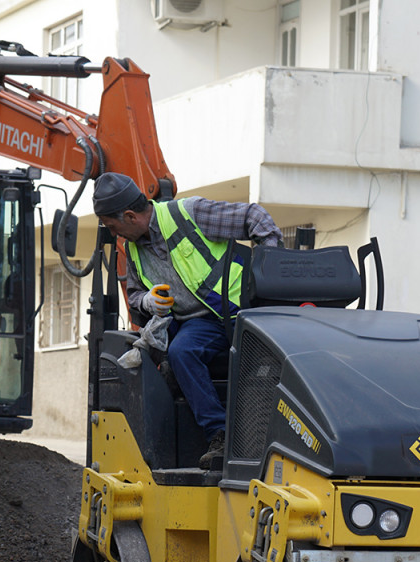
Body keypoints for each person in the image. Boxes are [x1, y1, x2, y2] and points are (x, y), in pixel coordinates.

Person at [93, 172, 282, 469]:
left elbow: (256, 217)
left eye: (113, 227)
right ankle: (206, 430)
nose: (115, 234)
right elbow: (134, 294)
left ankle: (244, 436)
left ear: (130, 216)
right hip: (194, 322)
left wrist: (268, 272)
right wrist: (147, 300)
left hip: (234, 312)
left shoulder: (189, 214)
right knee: (169, 352)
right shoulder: (132, 249)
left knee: (192, 352)